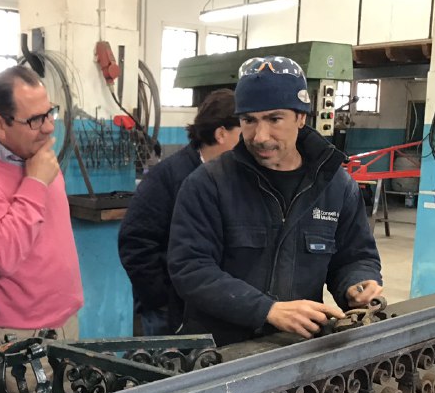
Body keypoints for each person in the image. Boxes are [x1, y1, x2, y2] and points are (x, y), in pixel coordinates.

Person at [168, 56, 383, 346]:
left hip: (297, 348)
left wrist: (357, 285)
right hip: (220, 352)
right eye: (249, 121)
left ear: (301, 117)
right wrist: (266, 310)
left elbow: (355, 256)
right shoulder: (209, 184)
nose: (260, 136)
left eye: (274, 119)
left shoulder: (336, 187)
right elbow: (191, 268)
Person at [0, 65, 83, 374]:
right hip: (15, 336)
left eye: (50, 113)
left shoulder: (39, 156)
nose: (49, 128)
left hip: (64, 324)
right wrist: (34, 183)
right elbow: (1, 257)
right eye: (35, 119)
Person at [118, 89, 240, 335]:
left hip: (215, 306)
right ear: (221, 134)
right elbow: (135, 244)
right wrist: (164, 300)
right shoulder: (168, 178)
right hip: (168, 314)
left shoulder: (234, 178)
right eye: (244, 129)